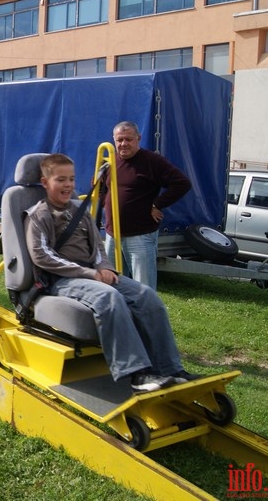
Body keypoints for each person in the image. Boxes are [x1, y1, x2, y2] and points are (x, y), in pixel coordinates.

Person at [25, 153, 197, 393]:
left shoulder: (79, 211)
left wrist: (104, 266)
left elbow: (96, 247)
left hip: (92, 274)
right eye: (61, 180)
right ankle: (137, 374)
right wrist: (89, 273)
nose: (68, 185)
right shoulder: (38, 215)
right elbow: (42, 256)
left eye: (72, 179)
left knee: (147, 296)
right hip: (61, 281)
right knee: (108, 297)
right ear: (45, 182)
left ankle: (170, 369)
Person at [102, 121, 191, 290]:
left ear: (138, 138)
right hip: (112, 235)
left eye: (129, 139)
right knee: (112, 285)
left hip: (139, 236)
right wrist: (103, 205)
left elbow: (182, 183)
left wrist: (157, 204)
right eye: (119, 140)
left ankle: (146, 316)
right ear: (114, 140)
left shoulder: (152, 161)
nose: (123, 144)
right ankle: (121, 316)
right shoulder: (110, 160)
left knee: (143, 288)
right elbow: (102, 187)